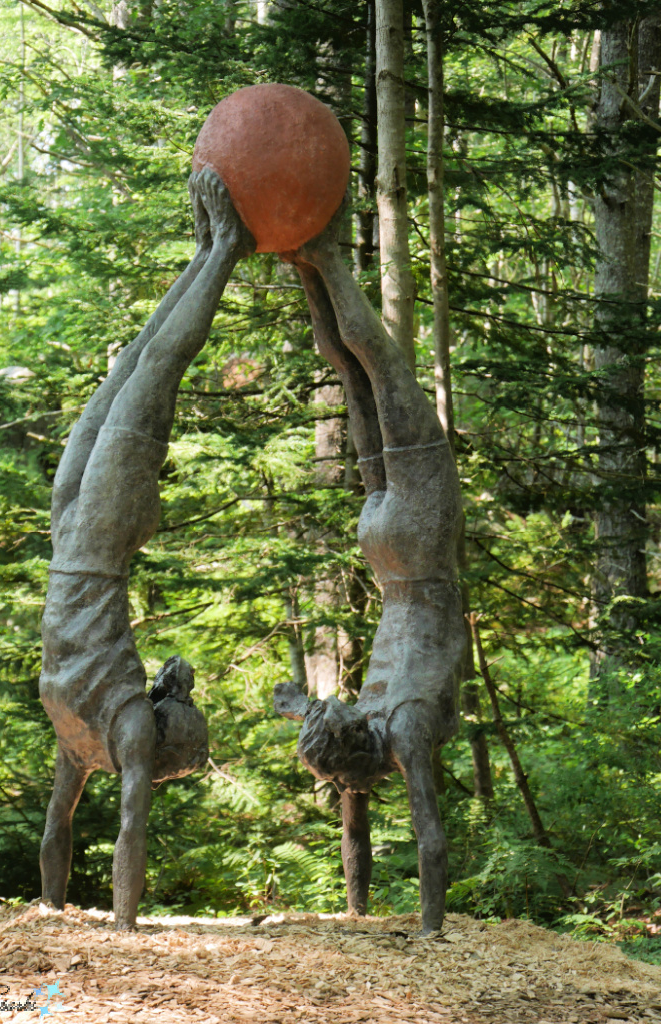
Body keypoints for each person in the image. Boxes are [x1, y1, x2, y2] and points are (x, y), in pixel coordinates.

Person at [38, 169, 255, 930]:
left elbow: (95, 827)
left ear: (163, 740)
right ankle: (213, 250)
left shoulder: (115, 732)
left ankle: (223, 249)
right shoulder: (103, 724)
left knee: (140, 369)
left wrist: (101, 923)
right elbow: (83, 826)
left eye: (177, 707)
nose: (173, 686)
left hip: (77, 540)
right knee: (141, 372)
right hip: (99, 539)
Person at [275, 213, 466, 935]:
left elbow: (412, 836)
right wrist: (428, 937)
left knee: (374, 376)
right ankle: (311, 260)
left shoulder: (375, 750)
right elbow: (425, 839)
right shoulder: (369, 731)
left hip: (415, 550)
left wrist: (406, 923)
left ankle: (312, 259)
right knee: (365, 376)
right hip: (390, 554)